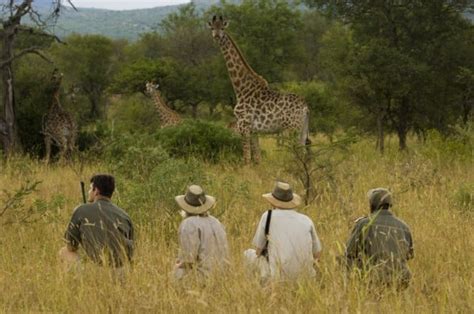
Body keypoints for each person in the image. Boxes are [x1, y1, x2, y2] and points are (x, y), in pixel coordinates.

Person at [244, 181, 322, 281]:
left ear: (273, 201)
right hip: (306, 278)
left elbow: (258, 251)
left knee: (247, 254)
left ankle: (259, 289)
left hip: (279, 277)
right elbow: (317, 254)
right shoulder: (306, 220)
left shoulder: (268, 216)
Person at [59, 174, 134, 273]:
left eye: (90, 189)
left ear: (96, 191)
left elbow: (71, 245)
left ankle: (75, 284)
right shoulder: (125, 215)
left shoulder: (81, 210)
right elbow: (131, 249)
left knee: (64, 252)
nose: (89, 192)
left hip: (98, 271)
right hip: (124, 271)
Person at [344, 188, 414, 288]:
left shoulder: (364, 224)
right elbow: (409, 255)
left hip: (374, 279)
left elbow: (350, 253)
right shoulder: (403, 225)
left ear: (372, 204)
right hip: (402, 278)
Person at [173, 185, 229, 280]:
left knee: (176, 271)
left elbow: (189, 259)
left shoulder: (188, 224)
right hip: (223, 275)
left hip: (202, 277)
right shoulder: (216, 221)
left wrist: (177, 266)